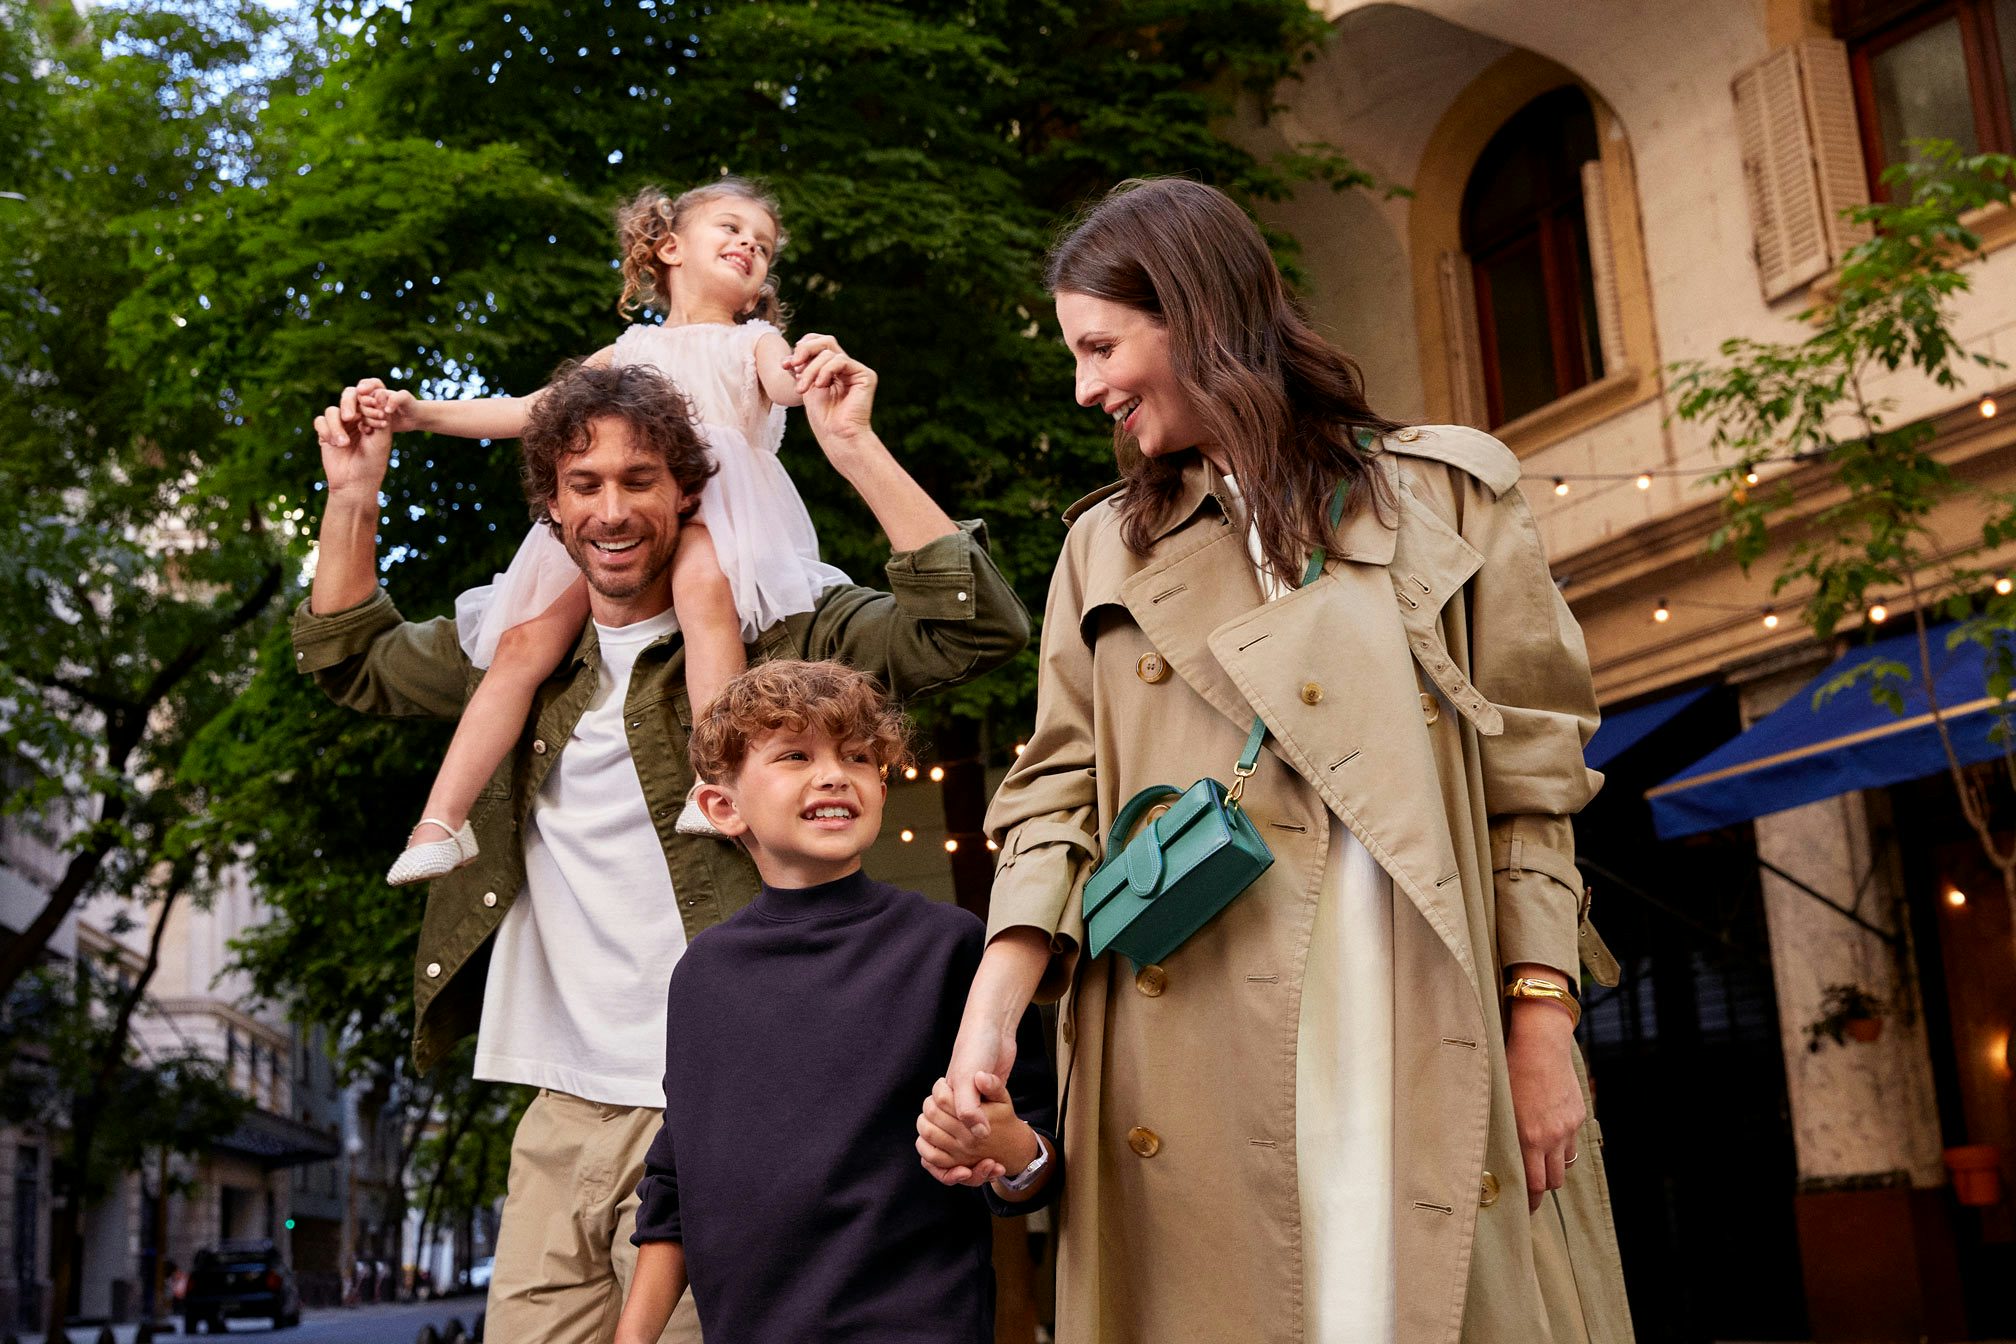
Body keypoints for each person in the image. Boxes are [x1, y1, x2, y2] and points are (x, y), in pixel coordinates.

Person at [930, 178, 1633, 1344]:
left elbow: (1534, 788)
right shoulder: (1104, 547)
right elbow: (1054, 796)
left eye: (1101, 345)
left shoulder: (1446, 494)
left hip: (1416, 998)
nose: (1086, 387)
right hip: (1187, 1025)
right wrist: (992, 1015)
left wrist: (1544, 1018)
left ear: (1195, 314)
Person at [297, 349, 1029, 1343]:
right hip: (559, 1112)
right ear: (550, 504)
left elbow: (972, 626)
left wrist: (851, 445)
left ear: (686, 490)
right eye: (584, 484)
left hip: (726, 1120)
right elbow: (353, 659)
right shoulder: (523, 655)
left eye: (640, 480)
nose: (611, 510)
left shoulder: (780, 641)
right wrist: (353, 496)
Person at [366, 176, 855, 884]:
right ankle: (441, 822)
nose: (748, 245)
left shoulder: (754, 340)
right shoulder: (628, 348)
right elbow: (532, 409)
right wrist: (423, 414)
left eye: (763, 246)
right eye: (730, 228)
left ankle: (711, 777)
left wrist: (810, 364)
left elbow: (783, 386)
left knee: (704, 596)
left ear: (758, 289)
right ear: (670, 247)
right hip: (621, 508)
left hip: (711, 506)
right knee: (523, 642)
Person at [613, 659, 1060, 1344]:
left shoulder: (951, 947)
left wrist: (1006, 1147)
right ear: (722, 806)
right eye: (796, 754)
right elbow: (673, 1185)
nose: (834, 774)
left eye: (858, 755)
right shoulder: (702, 974)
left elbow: (1040, 1160)